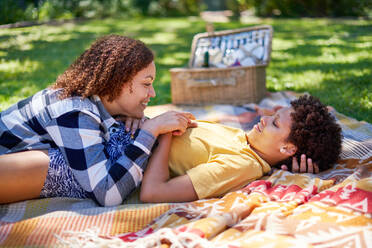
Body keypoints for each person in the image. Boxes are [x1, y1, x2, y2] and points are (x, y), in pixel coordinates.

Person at [0, 35, 196, 206]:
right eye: (146, 84)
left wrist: (125, 117)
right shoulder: (74, 112)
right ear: (117, 82)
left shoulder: (96, 105)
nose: (152, 93)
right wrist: (149, 132)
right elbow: (107, 195)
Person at [139, 95, 343, 203]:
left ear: (288, 148)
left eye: (274, 123)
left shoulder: (241, 164)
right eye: (272, 115)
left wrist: (163, 132)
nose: (263, 119)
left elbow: (153, 192)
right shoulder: (243, 139)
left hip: (121, 155)